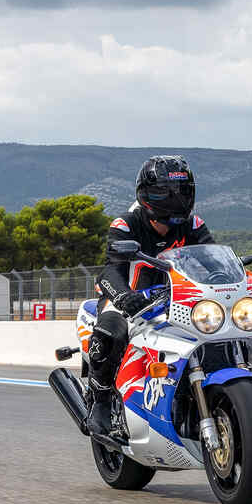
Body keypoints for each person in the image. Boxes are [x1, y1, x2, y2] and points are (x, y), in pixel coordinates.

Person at [86, 155, 214, 435]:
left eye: (181, 191)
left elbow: (212, 261)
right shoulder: (126, 224)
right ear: (146, 194)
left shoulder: (192, 226)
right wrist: (123, 297)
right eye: (164, 191)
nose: (175, 199)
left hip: (177, 298)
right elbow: (110, 272)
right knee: (111, 331)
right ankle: (101, 399)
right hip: (130, 299)